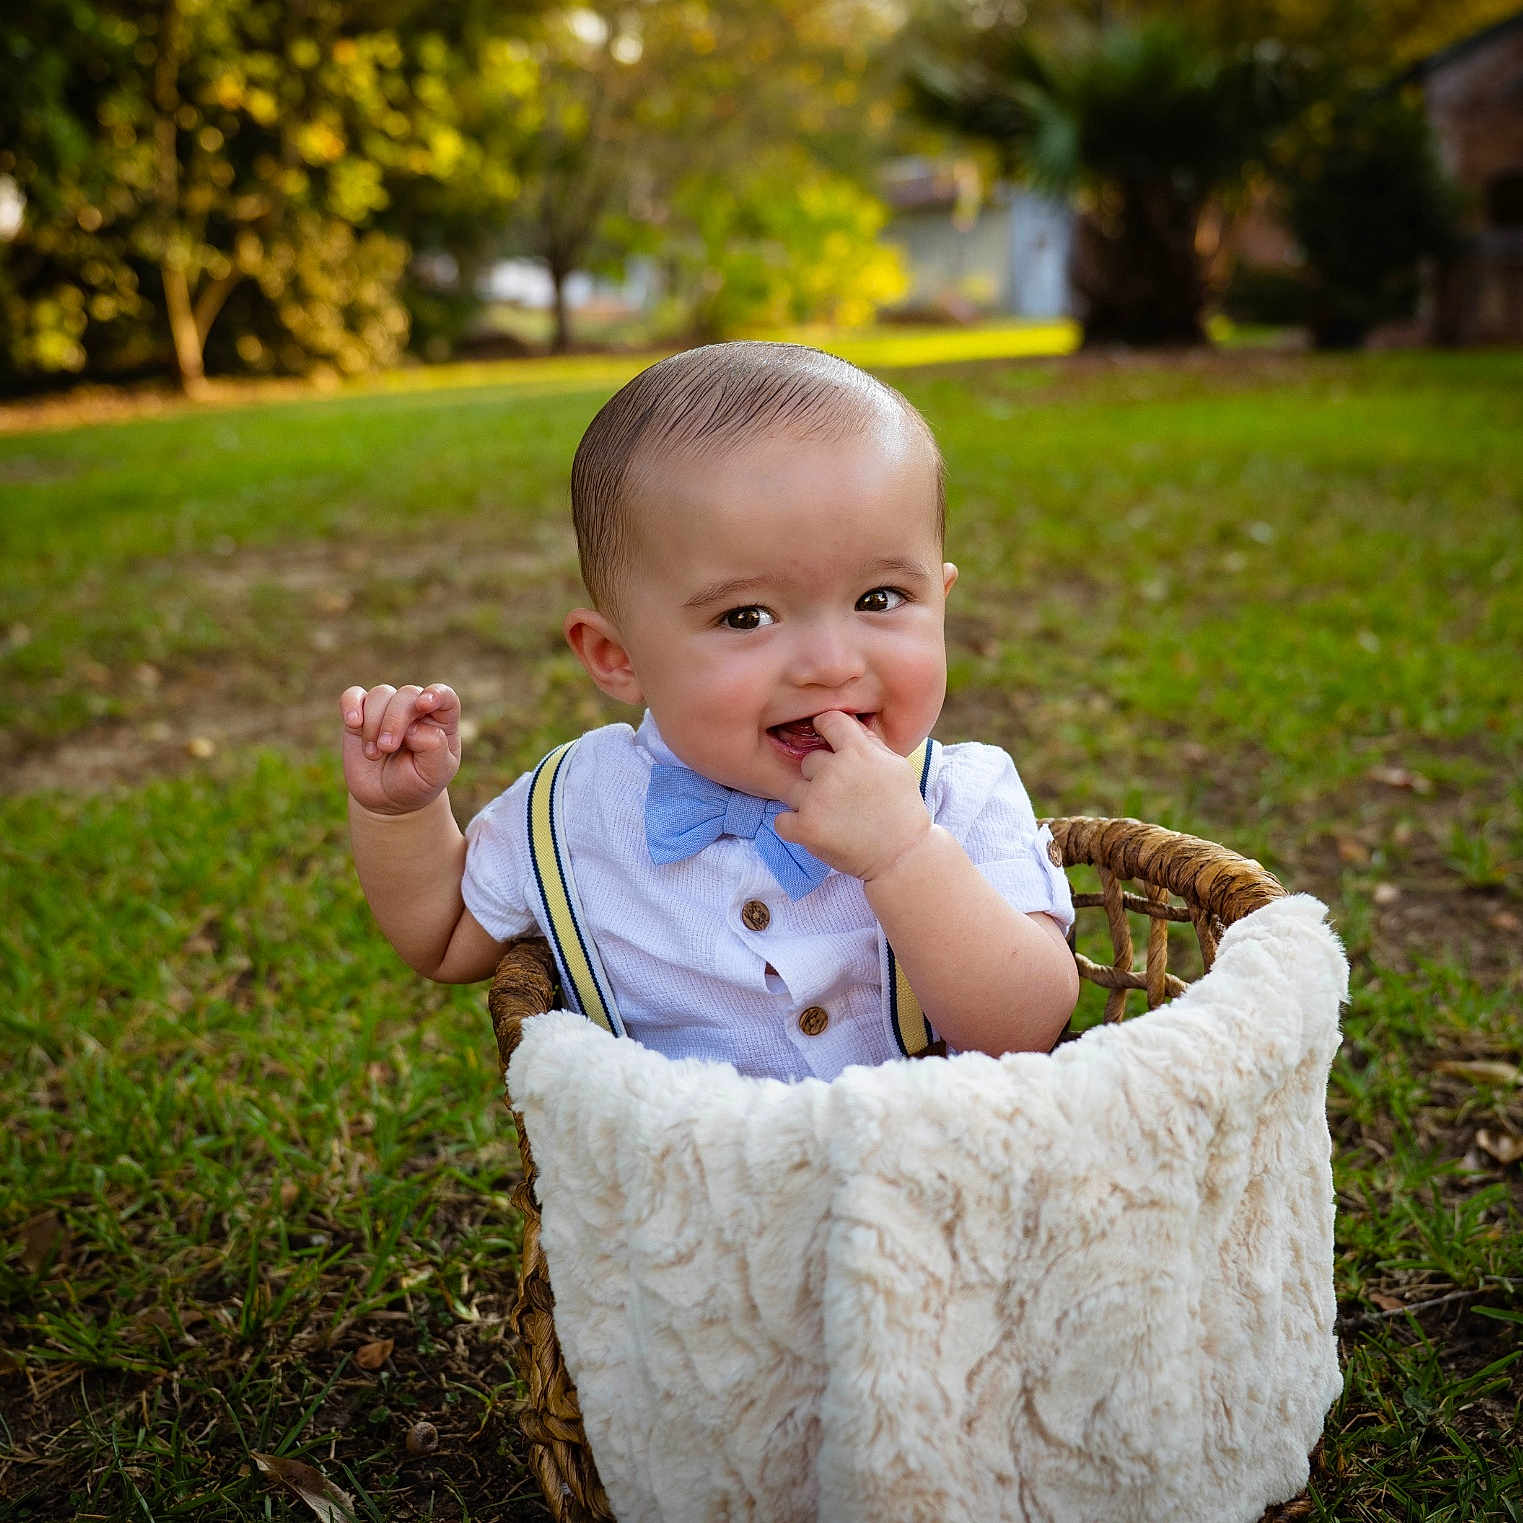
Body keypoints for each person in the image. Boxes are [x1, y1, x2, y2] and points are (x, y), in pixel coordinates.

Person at [340, 342, 1078, 1082]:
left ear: (939, 602)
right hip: (687, 1183)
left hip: (918, 1184)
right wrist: (400, 814)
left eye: (878, 599)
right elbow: (443, 939)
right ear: (616, 657)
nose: (829, 663)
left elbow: (1024, 1029)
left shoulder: (960, 798)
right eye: (746, 616)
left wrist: (906, 856)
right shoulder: (575, 807)